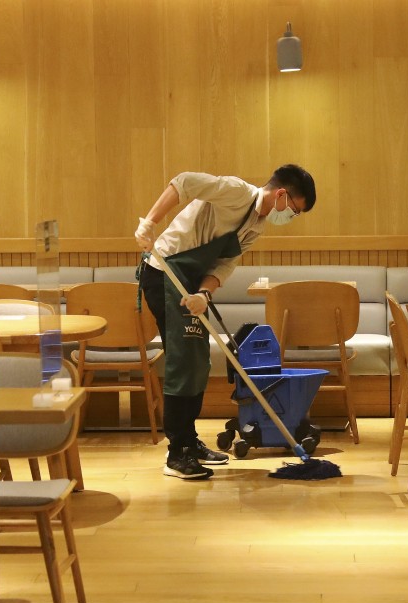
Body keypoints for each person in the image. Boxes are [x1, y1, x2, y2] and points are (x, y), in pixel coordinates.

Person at [135, 165, 316, 480]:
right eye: (294, 211)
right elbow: (184, 182)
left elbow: (223, 264)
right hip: (165, 274)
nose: (290, 217)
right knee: (183, 362)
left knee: (199, 362)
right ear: (282, 194)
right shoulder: (236, 192)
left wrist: (204, 294)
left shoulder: (256, 226)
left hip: (192, 285)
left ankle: (189, 441)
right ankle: (177, 453)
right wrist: (149, 222)